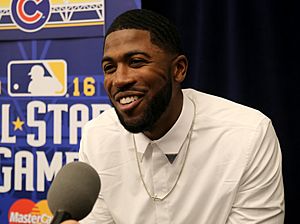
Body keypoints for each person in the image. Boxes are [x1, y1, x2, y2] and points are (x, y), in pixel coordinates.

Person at [68, 9, 284, 224]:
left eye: (136, 62)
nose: (119, 80)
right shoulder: (97, 136)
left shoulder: (248, 134)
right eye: (109, 68)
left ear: (179, 69)